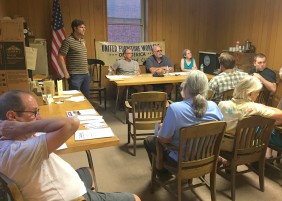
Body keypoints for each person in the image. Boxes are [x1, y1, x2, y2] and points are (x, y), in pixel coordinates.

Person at [0, 90, 141, 201]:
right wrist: (22, 128)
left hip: (65, 182)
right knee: (135, 198)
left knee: (88, 170)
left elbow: (49, 126)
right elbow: (71, 123)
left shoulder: (8, 140)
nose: (38, 117)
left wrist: (28, 124)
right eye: (34, 112)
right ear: (12, 117)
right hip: (72, 197)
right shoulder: (18, 151)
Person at [144, 70, 223, 167]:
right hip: (207, 157)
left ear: (185, 87)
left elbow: (164, 139)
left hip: (181, 161)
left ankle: (163, 174)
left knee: (149, 140)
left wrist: (159, 129)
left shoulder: (175, 108)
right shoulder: (214, 106)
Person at [218, 75, 282, 136]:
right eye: (257, 92)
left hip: (222, 144)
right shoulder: (255, 107)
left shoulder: (222, 104)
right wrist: (264, 106)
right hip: (244, 145)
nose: (258, 94)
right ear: (249, 93)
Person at [58, 19, 90, 98]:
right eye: (81, 27)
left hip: (85, 74)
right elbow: (60, 56)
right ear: (75, 28)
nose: (84, 29)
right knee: (75, 97)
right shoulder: (68, 41)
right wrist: (65, 73)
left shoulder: (82, 40)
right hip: (75, 75)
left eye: (84, 27)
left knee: (86, 98)